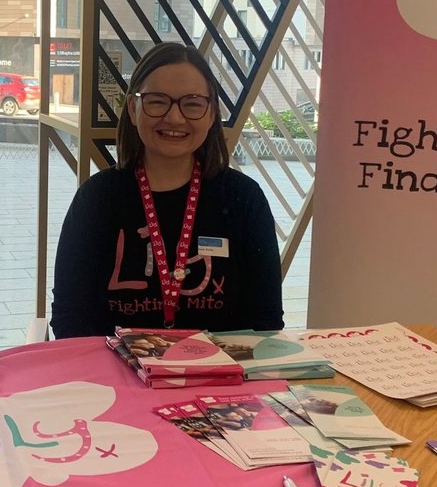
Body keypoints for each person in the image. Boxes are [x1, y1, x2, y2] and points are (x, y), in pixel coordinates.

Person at [51, 42, 284, 338]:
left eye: (193, 103)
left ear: (212, 114)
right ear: (133, 109)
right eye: (157, 101)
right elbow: (71, 319)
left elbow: (265, 322)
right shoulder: (97, 198)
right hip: (117, 375)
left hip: (219, 377)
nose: (174, 118)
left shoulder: (243, 199)